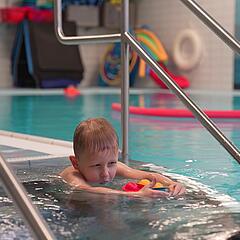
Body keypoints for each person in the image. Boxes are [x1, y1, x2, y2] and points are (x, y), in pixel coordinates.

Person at [60, 117, 186, 198]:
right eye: (96, 166)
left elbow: (150, 176)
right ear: (76, 163)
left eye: (111, 163)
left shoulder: (116, 167)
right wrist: (136, 194)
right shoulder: (72, 175)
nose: (105, 173)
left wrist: (172, 183)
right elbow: (86, 189)